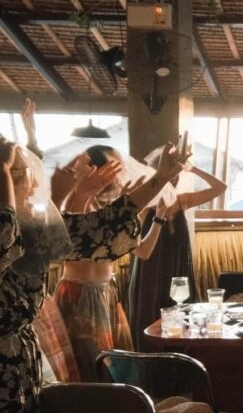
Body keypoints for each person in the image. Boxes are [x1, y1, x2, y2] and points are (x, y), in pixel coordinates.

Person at [43, 143, 184, 381]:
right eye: (112, 170)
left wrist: (157, 218)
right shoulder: (77, 205)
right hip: (81, 294)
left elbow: (144, 251)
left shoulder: (109, 209)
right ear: (96, 172)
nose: (118, 178)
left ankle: (119, 410)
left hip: (106, 292)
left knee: (118, 367)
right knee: (94, 368)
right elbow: (78, 239)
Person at [0, 137, 69, 413]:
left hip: (22, 361)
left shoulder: (30, 222)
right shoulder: (7, 226)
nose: (30, 179)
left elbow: (95, 234)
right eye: (18, 173)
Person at [129, 144, 226, 348]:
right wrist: (158, 216)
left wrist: (192, 169)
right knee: (151, 314)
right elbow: (137, 244)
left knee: (182, 316)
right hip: (151, 269)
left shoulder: (182, 201)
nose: (173, 180)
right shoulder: (145, 206)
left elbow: (220, 188)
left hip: (178, 266)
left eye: (176, 176)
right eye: (169, 175)